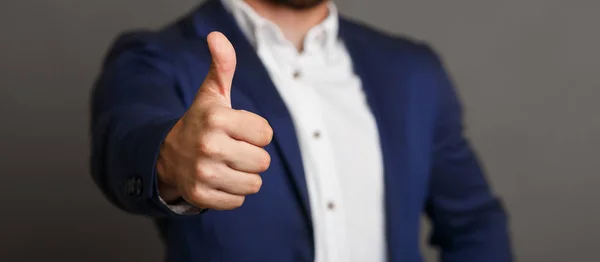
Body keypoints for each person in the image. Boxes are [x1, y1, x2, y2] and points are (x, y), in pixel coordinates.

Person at [90, 0, 513, 261]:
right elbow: (125, 141)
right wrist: (169, 158)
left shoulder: (412, 69)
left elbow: (474, 222)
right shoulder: (154, 57)